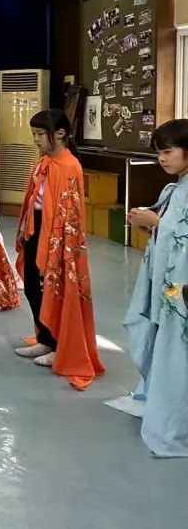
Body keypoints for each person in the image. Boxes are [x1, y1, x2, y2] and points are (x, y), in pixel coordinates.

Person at [107, 119, 188, 456]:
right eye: (159, 153)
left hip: (181, 288)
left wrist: (158, 224)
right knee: (164, 344)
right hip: (171, 284)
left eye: (168, 151)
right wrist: (150, 224)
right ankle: (162, 402)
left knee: (177, 350)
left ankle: (176, 419)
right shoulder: (174, 189)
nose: (162, 159)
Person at [13, 109, 103, 390]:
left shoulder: (69, 165)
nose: (36, 139)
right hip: (37, 226)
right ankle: (44, 338)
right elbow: (33, 200)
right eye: (34, 134)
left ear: (60, 134)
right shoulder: (43, 162)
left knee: (54, 288)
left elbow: (70, 211)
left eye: (40, 134)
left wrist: (60, 243)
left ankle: (59, 345)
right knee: (32, 285)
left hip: (57, 234)